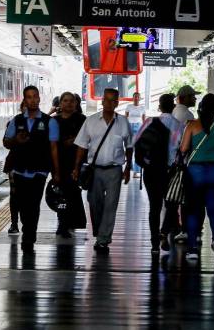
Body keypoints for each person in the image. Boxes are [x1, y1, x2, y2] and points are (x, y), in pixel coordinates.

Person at [72, 88, 133, 252]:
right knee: (94, 202)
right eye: (106, 100)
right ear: (102, 101)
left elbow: (129, 145)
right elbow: (82, 146)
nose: (109, 103)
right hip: (95, 170)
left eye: (113, 100)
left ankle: (103, 238)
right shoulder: (91, 121)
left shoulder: (123, 123)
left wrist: (128, 167)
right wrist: (76, 168)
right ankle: (100, 232)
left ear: (117, 103)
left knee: (111, 205)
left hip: (114, 170)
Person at [3, 86, 60, 253]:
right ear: (24, 100)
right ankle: (27, 228)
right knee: (22, 204)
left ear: (39, 98)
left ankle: (29, 236)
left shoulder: (50, 122)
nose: (32, 100)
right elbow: (6, 142)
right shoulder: (17, 120)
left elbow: (54, 148)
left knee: (34, 204)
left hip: (40, 171)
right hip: (19, 170)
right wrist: (15, 140)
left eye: (35, 96)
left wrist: (56, 172)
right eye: (29, 97)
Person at [179, 93, 214, 260]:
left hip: (196, 172)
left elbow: (183, 149)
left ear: (201, 106)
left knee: (194, 211)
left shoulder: (192, 125)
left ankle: (193, 248)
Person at [134, 93, 184, 254]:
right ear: (173, 107)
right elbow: (182, 149)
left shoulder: (150, 121)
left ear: (160, 107)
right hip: (170, 170)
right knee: (171, 205)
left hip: (151, 169)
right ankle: (164, 232)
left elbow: (137, 142)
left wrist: (144, 161)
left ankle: (155, 242)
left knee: (154, 207)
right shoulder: (179, 125)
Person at [54, 92, 87, 237]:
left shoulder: (82, 120)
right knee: (60, 195)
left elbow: (87, 140)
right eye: (65, 101)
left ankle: (67, 222)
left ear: (76, 103)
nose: (68, 103)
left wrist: (74, 140)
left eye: (71, 101)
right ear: (60, 103)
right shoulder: (54, 121)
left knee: (71, 193)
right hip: (58, 164)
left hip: (76, 164)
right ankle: (63, 222)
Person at [4, 100, 26, 235]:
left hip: (32, 166)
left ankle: (26, 222)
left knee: (27, 196)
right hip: (14, 164)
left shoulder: (40, 124)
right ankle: (14, 223)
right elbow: (6, 142)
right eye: (25, 107)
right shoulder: (14, 123)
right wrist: (16, 139)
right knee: (15, 194)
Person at [124, 92, 146, 175]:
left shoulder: (142, 108)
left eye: (138, 97)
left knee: (137, 149)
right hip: (129, 127)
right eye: (135, 97)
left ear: (139, 98)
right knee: (129, 148)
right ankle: (129, 167)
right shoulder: (129, 106)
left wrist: (144, 130)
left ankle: (136, 171)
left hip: (139, 128)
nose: (136, 98)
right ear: (133, 98)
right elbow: (125, 118)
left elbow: (144, 120)